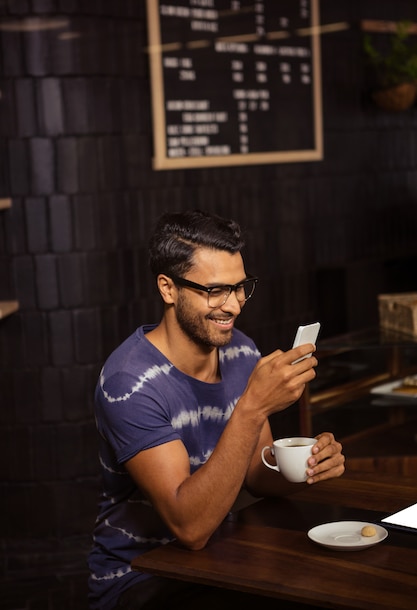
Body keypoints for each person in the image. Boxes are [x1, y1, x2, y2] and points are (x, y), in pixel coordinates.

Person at [88, 210, 345, 610]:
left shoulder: (240, 349)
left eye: (241, 287)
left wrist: (307, 467)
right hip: (140, 578)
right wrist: (253, 405)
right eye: (216, 291)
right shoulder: (129, 382)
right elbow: (189, 527)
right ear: (168, 289)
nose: (235, 306)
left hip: (219, 560)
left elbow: (257, 474)